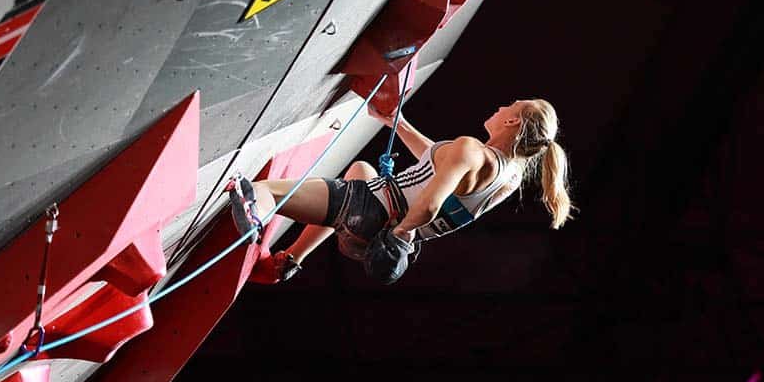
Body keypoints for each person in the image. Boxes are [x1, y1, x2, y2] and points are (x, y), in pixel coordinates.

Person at [230, 98, 575, 283]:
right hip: (373, 238)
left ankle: (253, 215)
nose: (501, 107)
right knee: (361, 169)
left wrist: (399, 231)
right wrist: (394, 120)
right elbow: (434, 163)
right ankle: (289, 261)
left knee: (263, 190)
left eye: (510, 107)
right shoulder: (507, 179)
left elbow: (429, 204)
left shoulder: (471, 149)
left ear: (512, 122)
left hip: (372, 210)